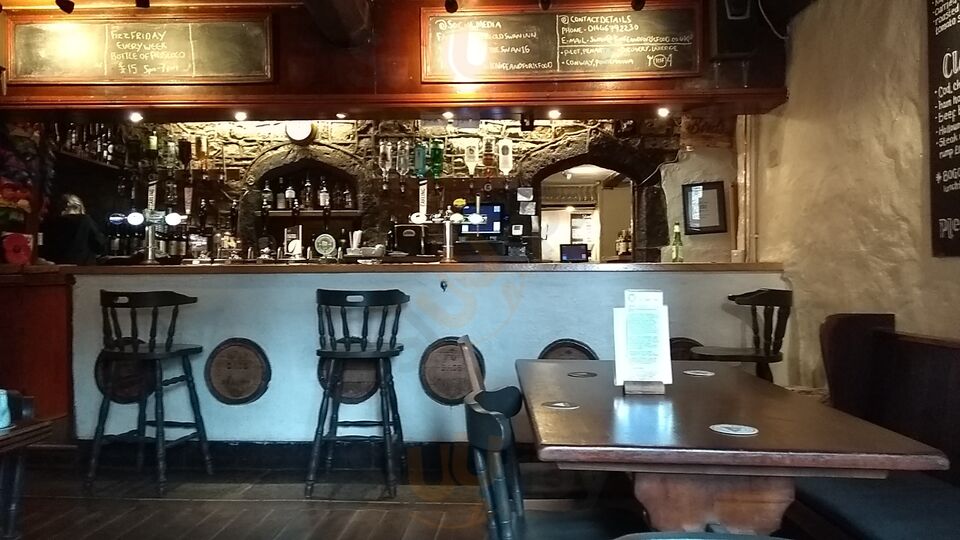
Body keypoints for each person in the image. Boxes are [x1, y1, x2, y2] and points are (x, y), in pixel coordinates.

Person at [40, 194, 105, 265]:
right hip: (82, 268)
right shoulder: (85, 221)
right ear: (78, 207)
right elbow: (100, 245)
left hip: (56, 267)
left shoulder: (49, 223)